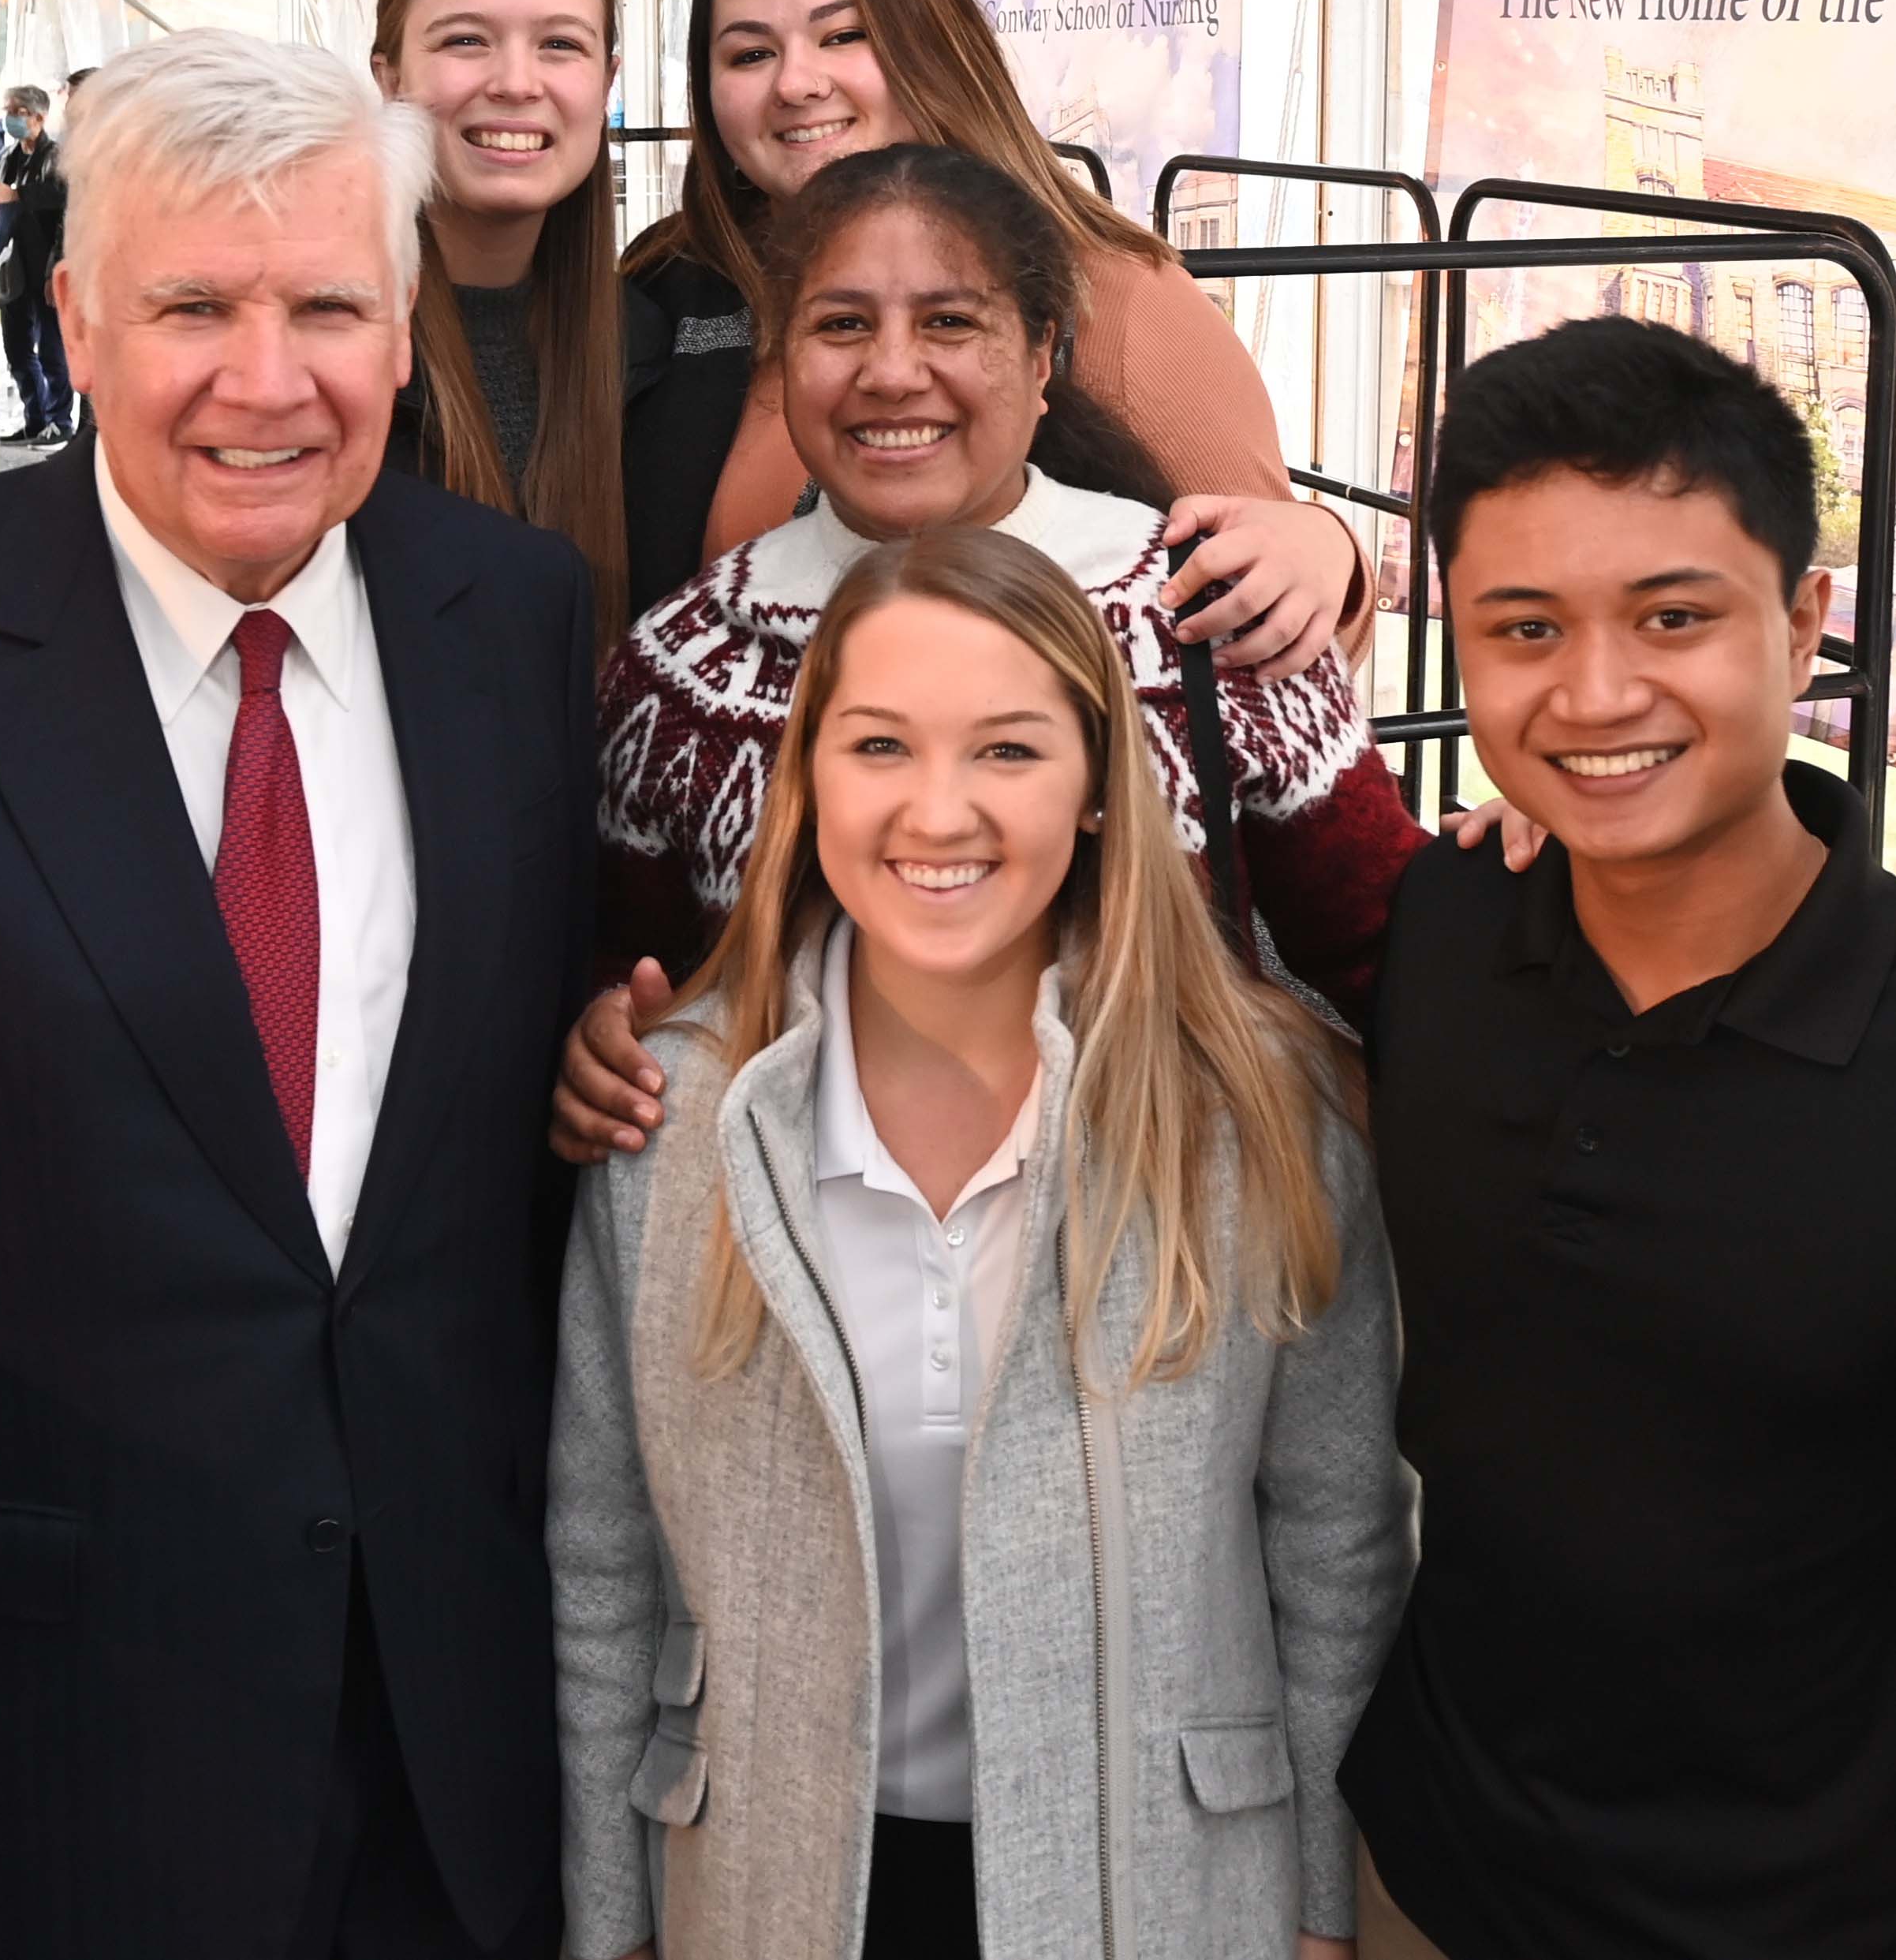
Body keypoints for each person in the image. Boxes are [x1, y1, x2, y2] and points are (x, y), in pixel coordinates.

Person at [0, 29, 591, 1960]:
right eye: (193, 304)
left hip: (457, 1767)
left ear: (407, 326)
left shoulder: (511, 619)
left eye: (327, 306)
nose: (266, 381)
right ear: (76, 322)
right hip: (22, 1765)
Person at [551, 523, 1411, 1960]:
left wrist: (1323, 1909)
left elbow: (1335, 1540)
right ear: (805, 777)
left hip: (1165, 1887)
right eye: (879, 746)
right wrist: (607, 1920)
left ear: (1092, 788)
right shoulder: (675, 1110)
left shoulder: (1259, 1109)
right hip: (765, 1883)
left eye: (1007, 750)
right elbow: (602, 1557)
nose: (936, 811)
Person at [1337, 315, 1896, 1958]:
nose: (1594, 695)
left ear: (1805, 623)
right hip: (1428, 1876)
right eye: (1526, 628)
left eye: (1673, 618)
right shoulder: (1444, 926)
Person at [559, 144, 1426, 1162]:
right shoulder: (682, 667)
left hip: (1165, 1263)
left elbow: (1391, 958)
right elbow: (625, 965)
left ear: (1040, 354)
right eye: (840, 324)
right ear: (782, 359)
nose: (890, 372)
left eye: (949, 322)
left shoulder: (1203, 614)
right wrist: (599, 1033)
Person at [618, 0, 1371, 676]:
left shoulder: (1110, 296)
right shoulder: (669, 285)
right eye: (750, 53)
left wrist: (1333, 554)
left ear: (933, 46)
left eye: (845, 36)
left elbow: (1290, 617)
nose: (797, 83)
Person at [370, 0, 627, 650]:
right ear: (389, 79)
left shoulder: (662, 355)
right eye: (466, 41)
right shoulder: (314, 360)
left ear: (607, 80)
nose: (518, 82)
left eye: (560, 45)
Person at [0, 84, 73, 446]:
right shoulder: (8, 155)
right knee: (17, 348)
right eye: (8, 111)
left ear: (39, 118)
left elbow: (62, 203)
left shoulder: (55, 156)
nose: (10, 118)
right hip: (10, 267)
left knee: (51, 349)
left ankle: (60, 420)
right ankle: (35, 418)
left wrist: (54, 269)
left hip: (41, 265)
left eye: (17, 112)